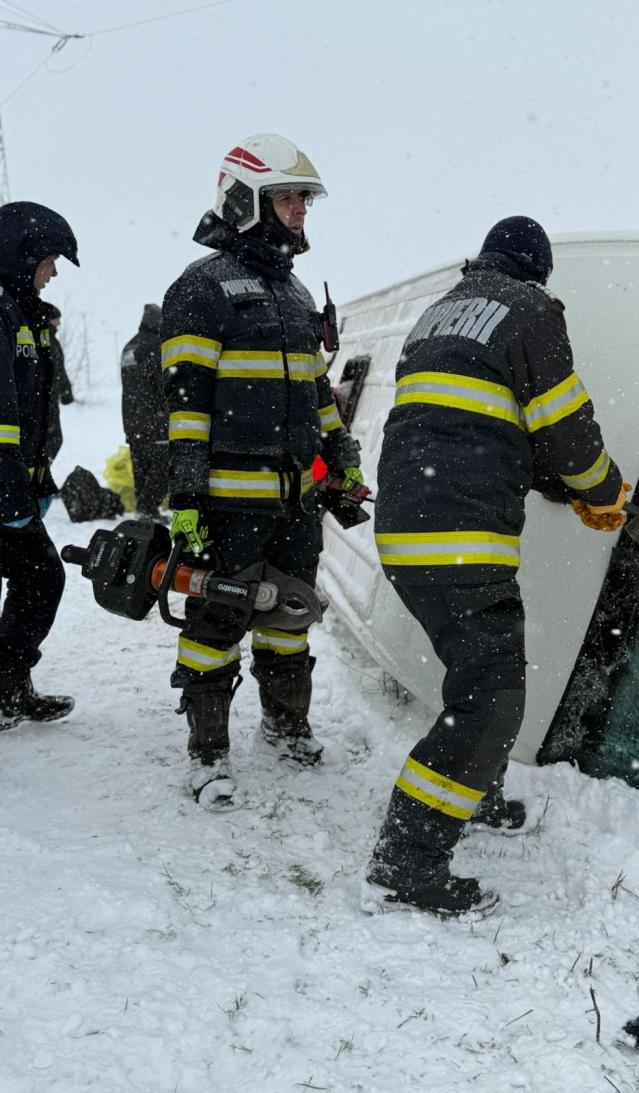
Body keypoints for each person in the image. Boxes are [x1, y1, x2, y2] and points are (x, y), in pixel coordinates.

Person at [366, 217, 629, 915]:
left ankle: (475, 793)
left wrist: (556, 481)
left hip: (406, 525)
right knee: (490, 698)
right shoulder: (531, 309)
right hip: (459, 533)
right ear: (537, 270)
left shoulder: (438, 316)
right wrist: (603, 491)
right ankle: (409, 857)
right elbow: (565, 426)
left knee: (479, 671)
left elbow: (480, 424)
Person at [161, 133, 363, 809]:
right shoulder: (200, 288)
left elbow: (314, 394)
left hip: (295, 503)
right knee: (217, 624)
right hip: (227, 502)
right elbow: (185, 405)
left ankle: (284, 728)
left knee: (288, 619)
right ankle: (207, 755)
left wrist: (341, 457)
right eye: (286, 198)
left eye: (302, 198)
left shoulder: (294, 291)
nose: (300, 211)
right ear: (244, 201)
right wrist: (186, 496)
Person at [0, 202, 79, 730]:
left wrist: (35, 475)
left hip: (11, 485)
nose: (52, 273)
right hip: (1, 490)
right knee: (40, 576)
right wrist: (10, 493)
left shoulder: (18, 311)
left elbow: (30, 414)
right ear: (21, 255)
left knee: (38, 578)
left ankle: (8, 687)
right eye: (48, 260)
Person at [120, 303, 167, 519]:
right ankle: (148, 508)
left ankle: (144, 508)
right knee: (163, 463)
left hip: (131, 417)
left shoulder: (130, 346)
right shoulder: (155, 346)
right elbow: (162, 382)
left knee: (141, 464)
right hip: (154, 417)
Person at [42, 303, 73, 463]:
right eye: (56, 319)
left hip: (51, 400)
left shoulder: (53, 342)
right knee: (50, 440)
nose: (59, 323)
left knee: (54, 440)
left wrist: (66, 390)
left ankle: (42, 472)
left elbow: (60, 370)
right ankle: (40, 474)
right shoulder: (42, 340)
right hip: (44, 401)